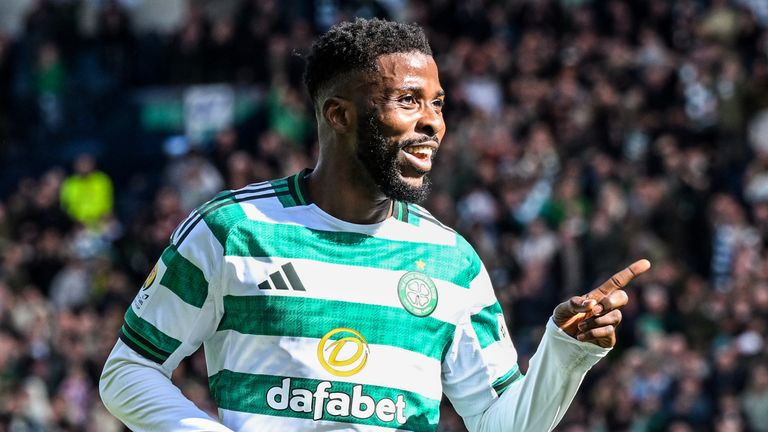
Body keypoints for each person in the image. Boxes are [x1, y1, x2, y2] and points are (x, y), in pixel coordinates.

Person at [99, 18, 650, 431]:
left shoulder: (450, 260)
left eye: (437, 103)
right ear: (339, 114)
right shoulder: (231, 229)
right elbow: (128, 370)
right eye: (408, 101)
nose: (432, 122)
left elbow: (499, 423)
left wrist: (563, 351)